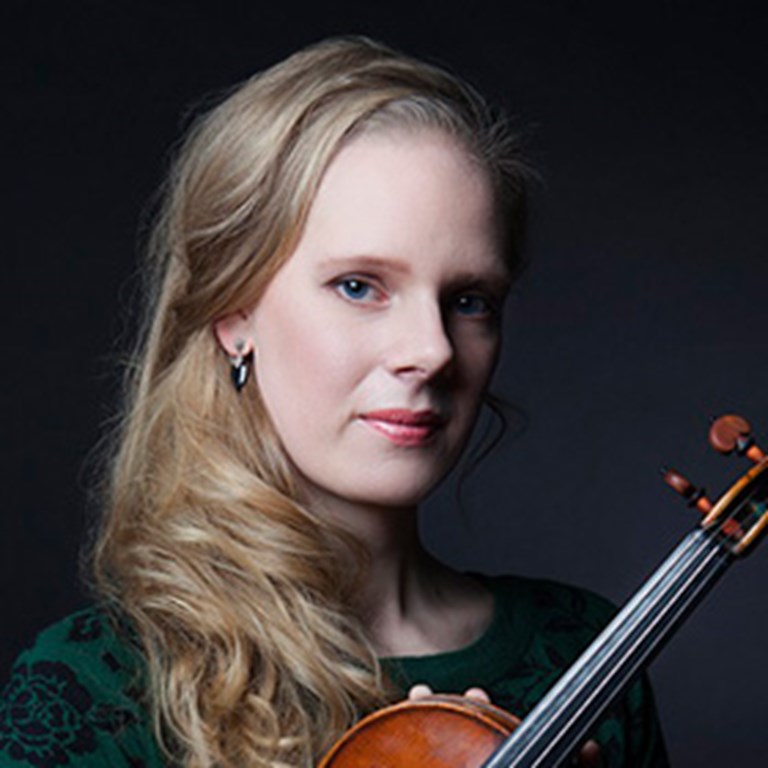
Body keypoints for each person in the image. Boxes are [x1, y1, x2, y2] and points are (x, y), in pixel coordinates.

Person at [0, 37, 668, 768]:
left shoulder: (584, 652)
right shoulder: (95, 693)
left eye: (469, 299)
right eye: (359, 286)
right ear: (234, 313)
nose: (433, 350)